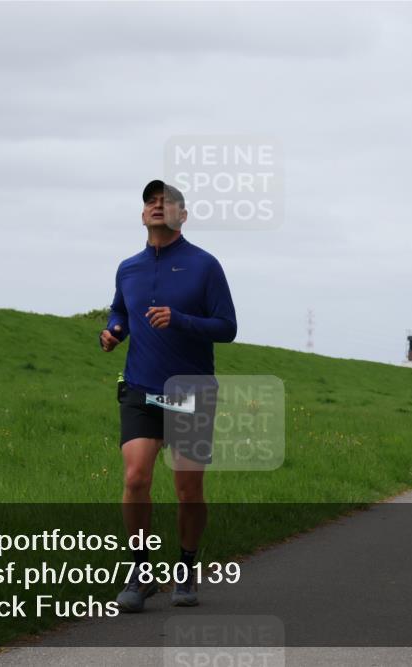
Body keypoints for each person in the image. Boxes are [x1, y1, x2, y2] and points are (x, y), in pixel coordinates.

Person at [101, 180, 236, 612]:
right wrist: (114, 330)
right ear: (142, 215)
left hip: (191, 389)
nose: (158, 206)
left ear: (183, 214)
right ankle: (140, 573)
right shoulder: (128, 268)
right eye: (151, 202)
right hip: (140, 385)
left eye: (168, 201)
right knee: (135, 477)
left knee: (187, 488)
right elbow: (121, 307)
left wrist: (179, 319)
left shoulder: (205, 266)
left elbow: (227, 327)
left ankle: (187, 569)